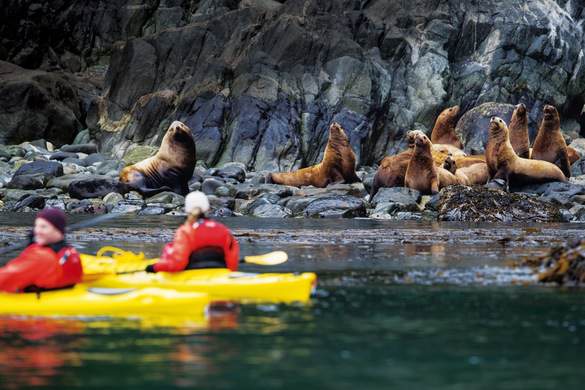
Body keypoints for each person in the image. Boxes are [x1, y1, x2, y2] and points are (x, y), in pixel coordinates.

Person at [146, 191, 240, 273]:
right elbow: (232, 264)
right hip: (221, 276)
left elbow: (177, 264)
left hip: (193, 275)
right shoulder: (223, 230)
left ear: (187, 210)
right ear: (207, 209)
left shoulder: (186, 231)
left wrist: (153, 268)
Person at [0, 208, 83, 293]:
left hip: (32, 301)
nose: (37, 231)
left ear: (57, 229)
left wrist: (34, 248)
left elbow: (5, 278)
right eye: (37, 226)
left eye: (43, 227)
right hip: (58, 296)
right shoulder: (68, 251)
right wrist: (34, 246)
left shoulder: (41, 256)